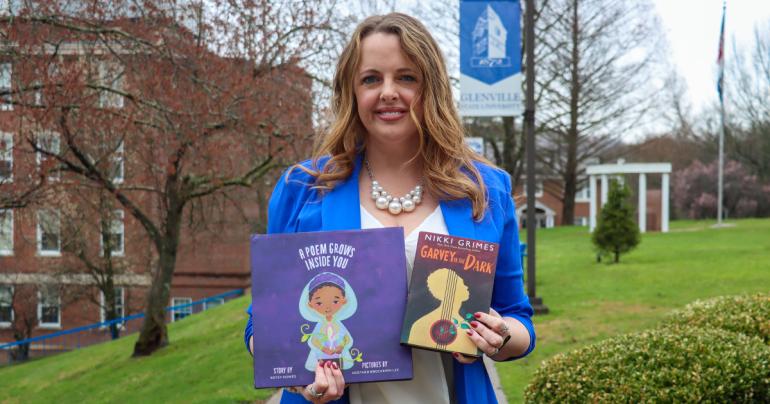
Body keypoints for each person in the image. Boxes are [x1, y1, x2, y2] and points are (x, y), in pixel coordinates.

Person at [244, 12, 535, 404]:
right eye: (371, 79)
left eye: (406, 77)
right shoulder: (302, 188)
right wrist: (298, 378)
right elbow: (261, 326)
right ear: (351, 91)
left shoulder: (485, 189)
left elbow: (519, 319)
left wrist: (500, 336)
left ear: (430, 86)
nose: (388, 92)